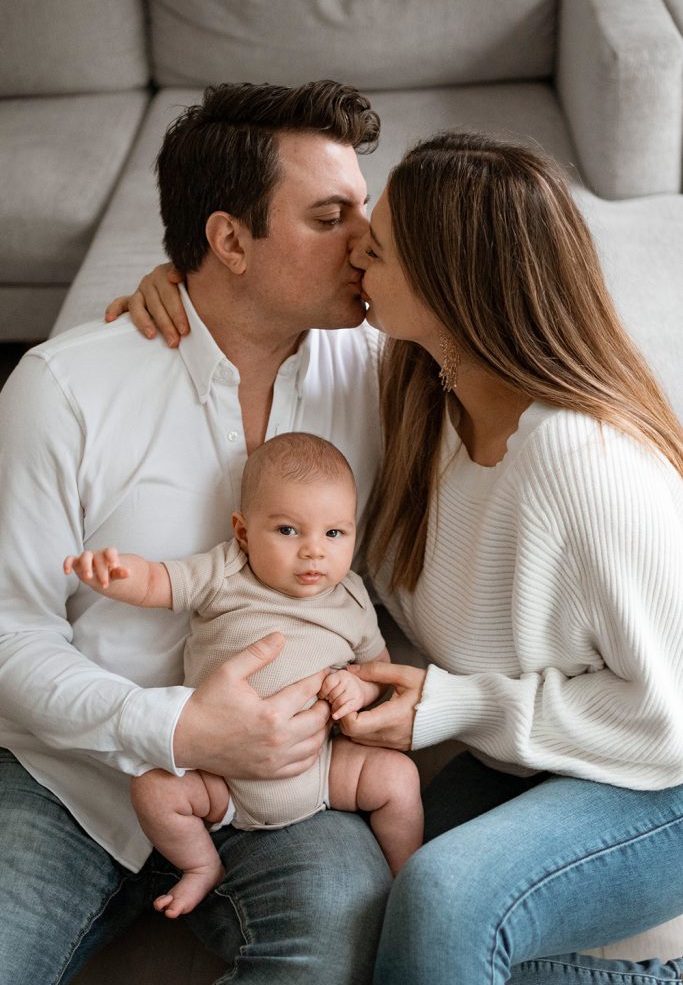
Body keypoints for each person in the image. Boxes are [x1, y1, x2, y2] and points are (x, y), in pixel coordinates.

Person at [124, 131, 683, 985]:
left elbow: (668, 718)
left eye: (375, 250)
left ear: (449, 283)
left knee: (444, 897)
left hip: (658, 781)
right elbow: (257, 331)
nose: (353, 257)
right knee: (369, 910)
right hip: (535, 759)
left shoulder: (584, 465)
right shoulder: (419, 393)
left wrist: (455, 705)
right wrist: (189, 296)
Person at [0, 80, 393, 985]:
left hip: (285, 789)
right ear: (227, 240)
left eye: (361, 211)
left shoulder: (380, 375)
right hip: (74, 776)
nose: (364, 242)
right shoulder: (67, 388)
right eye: (330, 216)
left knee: (343, 934)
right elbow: (12, 631)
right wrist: (174, 730)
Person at [64, 432, 423, 918]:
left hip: (320, 769)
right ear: (243, 531)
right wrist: (115, 571)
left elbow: (376, 668)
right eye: (289, 531)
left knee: (398, 778)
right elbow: (158, 581)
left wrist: (358, 686)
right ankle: (200, 866)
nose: (314, 551)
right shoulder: (225, 572)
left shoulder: (352, 599)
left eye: (334, 534)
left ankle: (408, 881)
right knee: (153, 789)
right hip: (221, 779)